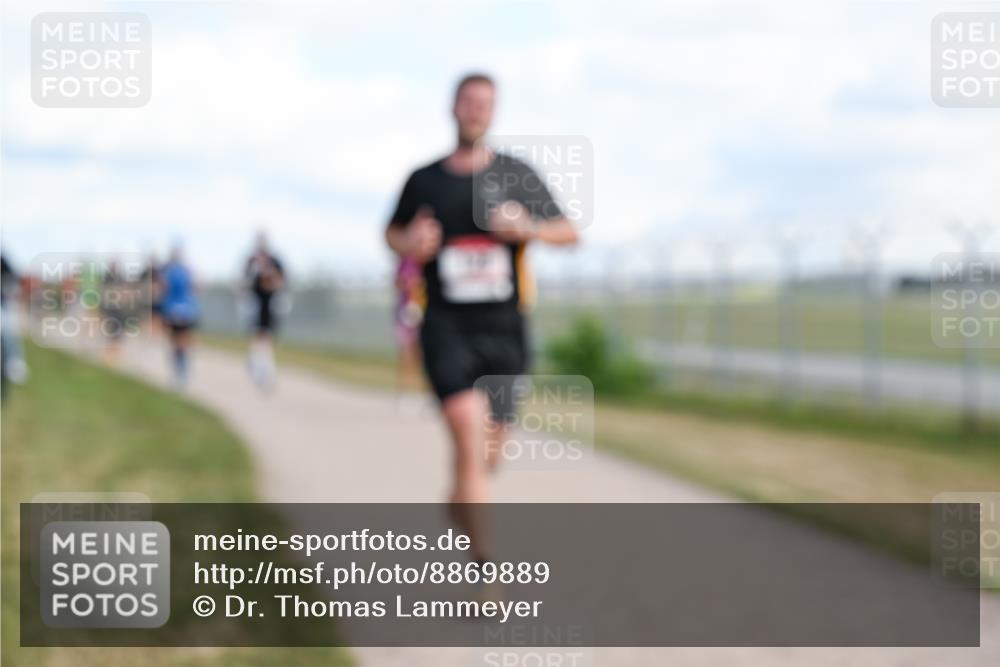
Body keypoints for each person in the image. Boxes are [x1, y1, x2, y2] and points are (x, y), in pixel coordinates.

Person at [384, 73, 578, 566]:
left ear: (494, 112)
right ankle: (485, 567)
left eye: (484, 104)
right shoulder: (424, 179)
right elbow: (391, 234)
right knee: (469, 435)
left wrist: (526, 228)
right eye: (468, 102)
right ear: (453, 108)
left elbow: (569, 232)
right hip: (446, 328)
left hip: (504, 332)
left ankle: (462, 505)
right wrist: (412, 243)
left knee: (487, 456)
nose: (475, 111)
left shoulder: (515, 175)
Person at [244, 232, 285, 391]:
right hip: (255, 305)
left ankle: (266, 371)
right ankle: (257, 368)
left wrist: (271, 279)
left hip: (271, 306)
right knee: (257, 339)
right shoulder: (252, 261)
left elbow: (280, 281)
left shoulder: (275, 261)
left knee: (267, 340)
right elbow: (245, 281)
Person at [158, 245, 200, 390]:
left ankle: (179, 371)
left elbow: (164, 289)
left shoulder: (168, 271)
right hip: (185, 310)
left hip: (173, 310)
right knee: (182, 342)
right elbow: (195, 287)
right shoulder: (185, 271)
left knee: (175, 342)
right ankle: (182, 371)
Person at [393, 255, 425, 400]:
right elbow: (397, 283)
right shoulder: (405, 260)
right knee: (406, 355)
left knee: (424, 356)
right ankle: (405, 393)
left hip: (425, 312)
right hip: (406, 311)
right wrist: (407, 283)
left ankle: (428, 394)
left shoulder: (427, 261)